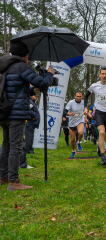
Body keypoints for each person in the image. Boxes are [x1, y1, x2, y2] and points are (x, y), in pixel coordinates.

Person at [0, 41, 54, 190]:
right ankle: (13, 181)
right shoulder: (20, 66)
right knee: (16, 147)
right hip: (16, 114)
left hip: (3, 112)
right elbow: (43, 83)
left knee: (6, 145)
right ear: (25, 55)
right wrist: (50, 73)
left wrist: (30, 91)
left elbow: (13, 86)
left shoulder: (5, 66)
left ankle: (2, 177)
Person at [63, 91, 85, 158]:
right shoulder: (71, 102)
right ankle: (73, 151)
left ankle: (78, 142)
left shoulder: (83, 102)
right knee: (72, 139)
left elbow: (86, 111)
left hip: (80, 120)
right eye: (77, 96)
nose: (79, 98)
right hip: (72, 122)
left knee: (81, 133)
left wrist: (86, 118)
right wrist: (70, 114)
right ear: (75, 96)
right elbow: (64, 112)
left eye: (80, 96)